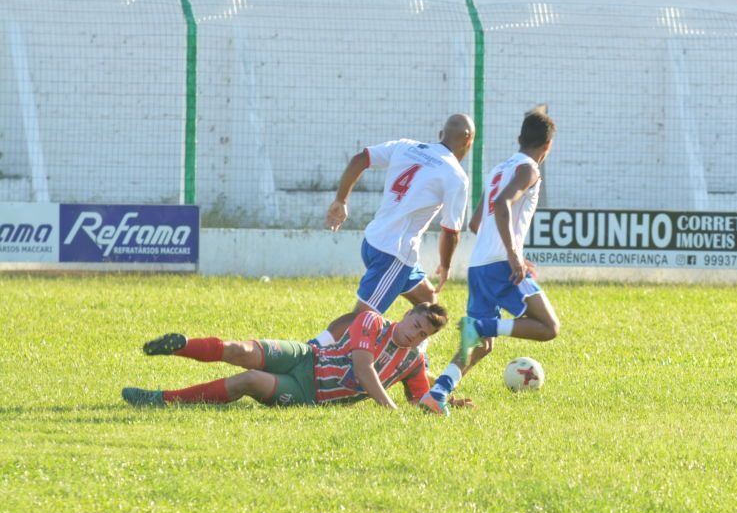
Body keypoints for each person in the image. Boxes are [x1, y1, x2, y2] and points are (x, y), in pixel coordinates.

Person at [419, 109, 560, 416]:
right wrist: (512, 255)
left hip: (479, 265)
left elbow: (476, 223)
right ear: (547, 147)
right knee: (548, 327)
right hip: (500, 265)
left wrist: (512, 251)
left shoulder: (499, 169)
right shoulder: (529, 170)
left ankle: (437, 392)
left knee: (481, 344)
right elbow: (502, 204)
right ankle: (481, 324)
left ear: (519, 138)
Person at [121, 303, 473, 410]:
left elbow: (419, 399)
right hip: (307, 356)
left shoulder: (412, 362)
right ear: (408, 314)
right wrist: (389, 409)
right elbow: (364, 369)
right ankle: (180, 344)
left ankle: (162, 400)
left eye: (423, 334)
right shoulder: (372, 321)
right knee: (240, 350)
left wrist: (447, 401)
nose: (415, 334)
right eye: (415, 324)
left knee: (249, 381)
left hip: (310, 392)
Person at [315, 113, 474, 346]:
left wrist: (341, 199)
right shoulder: (456, 176)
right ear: (468, 141)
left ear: (440, 135)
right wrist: (446, 265)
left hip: (373, 242)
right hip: (395, 254)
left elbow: (361, 158)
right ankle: (312, 350)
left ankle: (418, 365)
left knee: (428, 302)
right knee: (363, 318)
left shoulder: (406, 147)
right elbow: (451, 230)